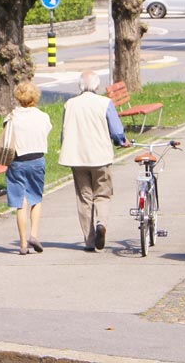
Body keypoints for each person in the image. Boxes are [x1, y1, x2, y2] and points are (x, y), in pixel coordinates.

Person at [58, 71, 130, 252]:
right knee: (103, 194)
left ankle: (89, 241)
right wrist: (122, 141)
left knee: (84, 198)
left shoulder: (70, 104)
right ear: (97, 86)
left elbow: (65, 131)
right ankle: (101, 224)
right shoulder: (104, 103)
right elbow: (116, 130)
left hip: (77, 158)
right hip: (100, 157)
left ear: (79, 87)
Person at [5, 81, 53, 255]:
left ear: (18, 97)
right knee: (36, 198)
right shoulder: (43, 116)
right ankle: (34, 234)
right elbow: (46, 131)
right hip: (37, 159)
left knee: (20, 202)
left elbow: (6, 137)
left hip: (17, 161)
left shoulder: (12, 117)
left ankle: (23, 243)